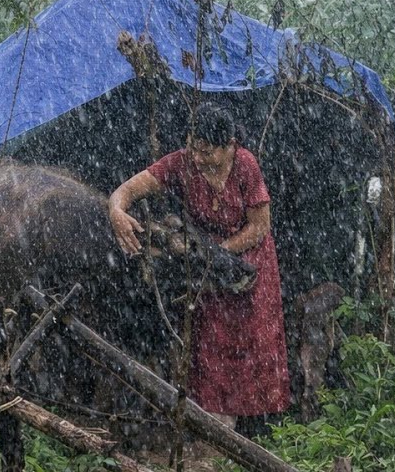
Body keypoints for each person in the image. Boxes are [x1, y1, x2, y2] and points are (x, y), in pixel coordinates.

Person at [108, 108, 289, 430]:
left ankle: (259, 427)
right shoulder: (181, 163)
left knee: (254, 341)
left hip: (249, 261)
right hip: (209, 268)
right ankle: (215, 426)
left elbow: (260, 227)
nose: (199, 157)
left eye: (207, 151)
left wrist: (218, 253)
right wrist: (117, 211)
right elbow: (127, 191)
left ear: (229, 145)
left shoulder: (246, 164)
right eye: (194, 148)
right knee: (213, 343)